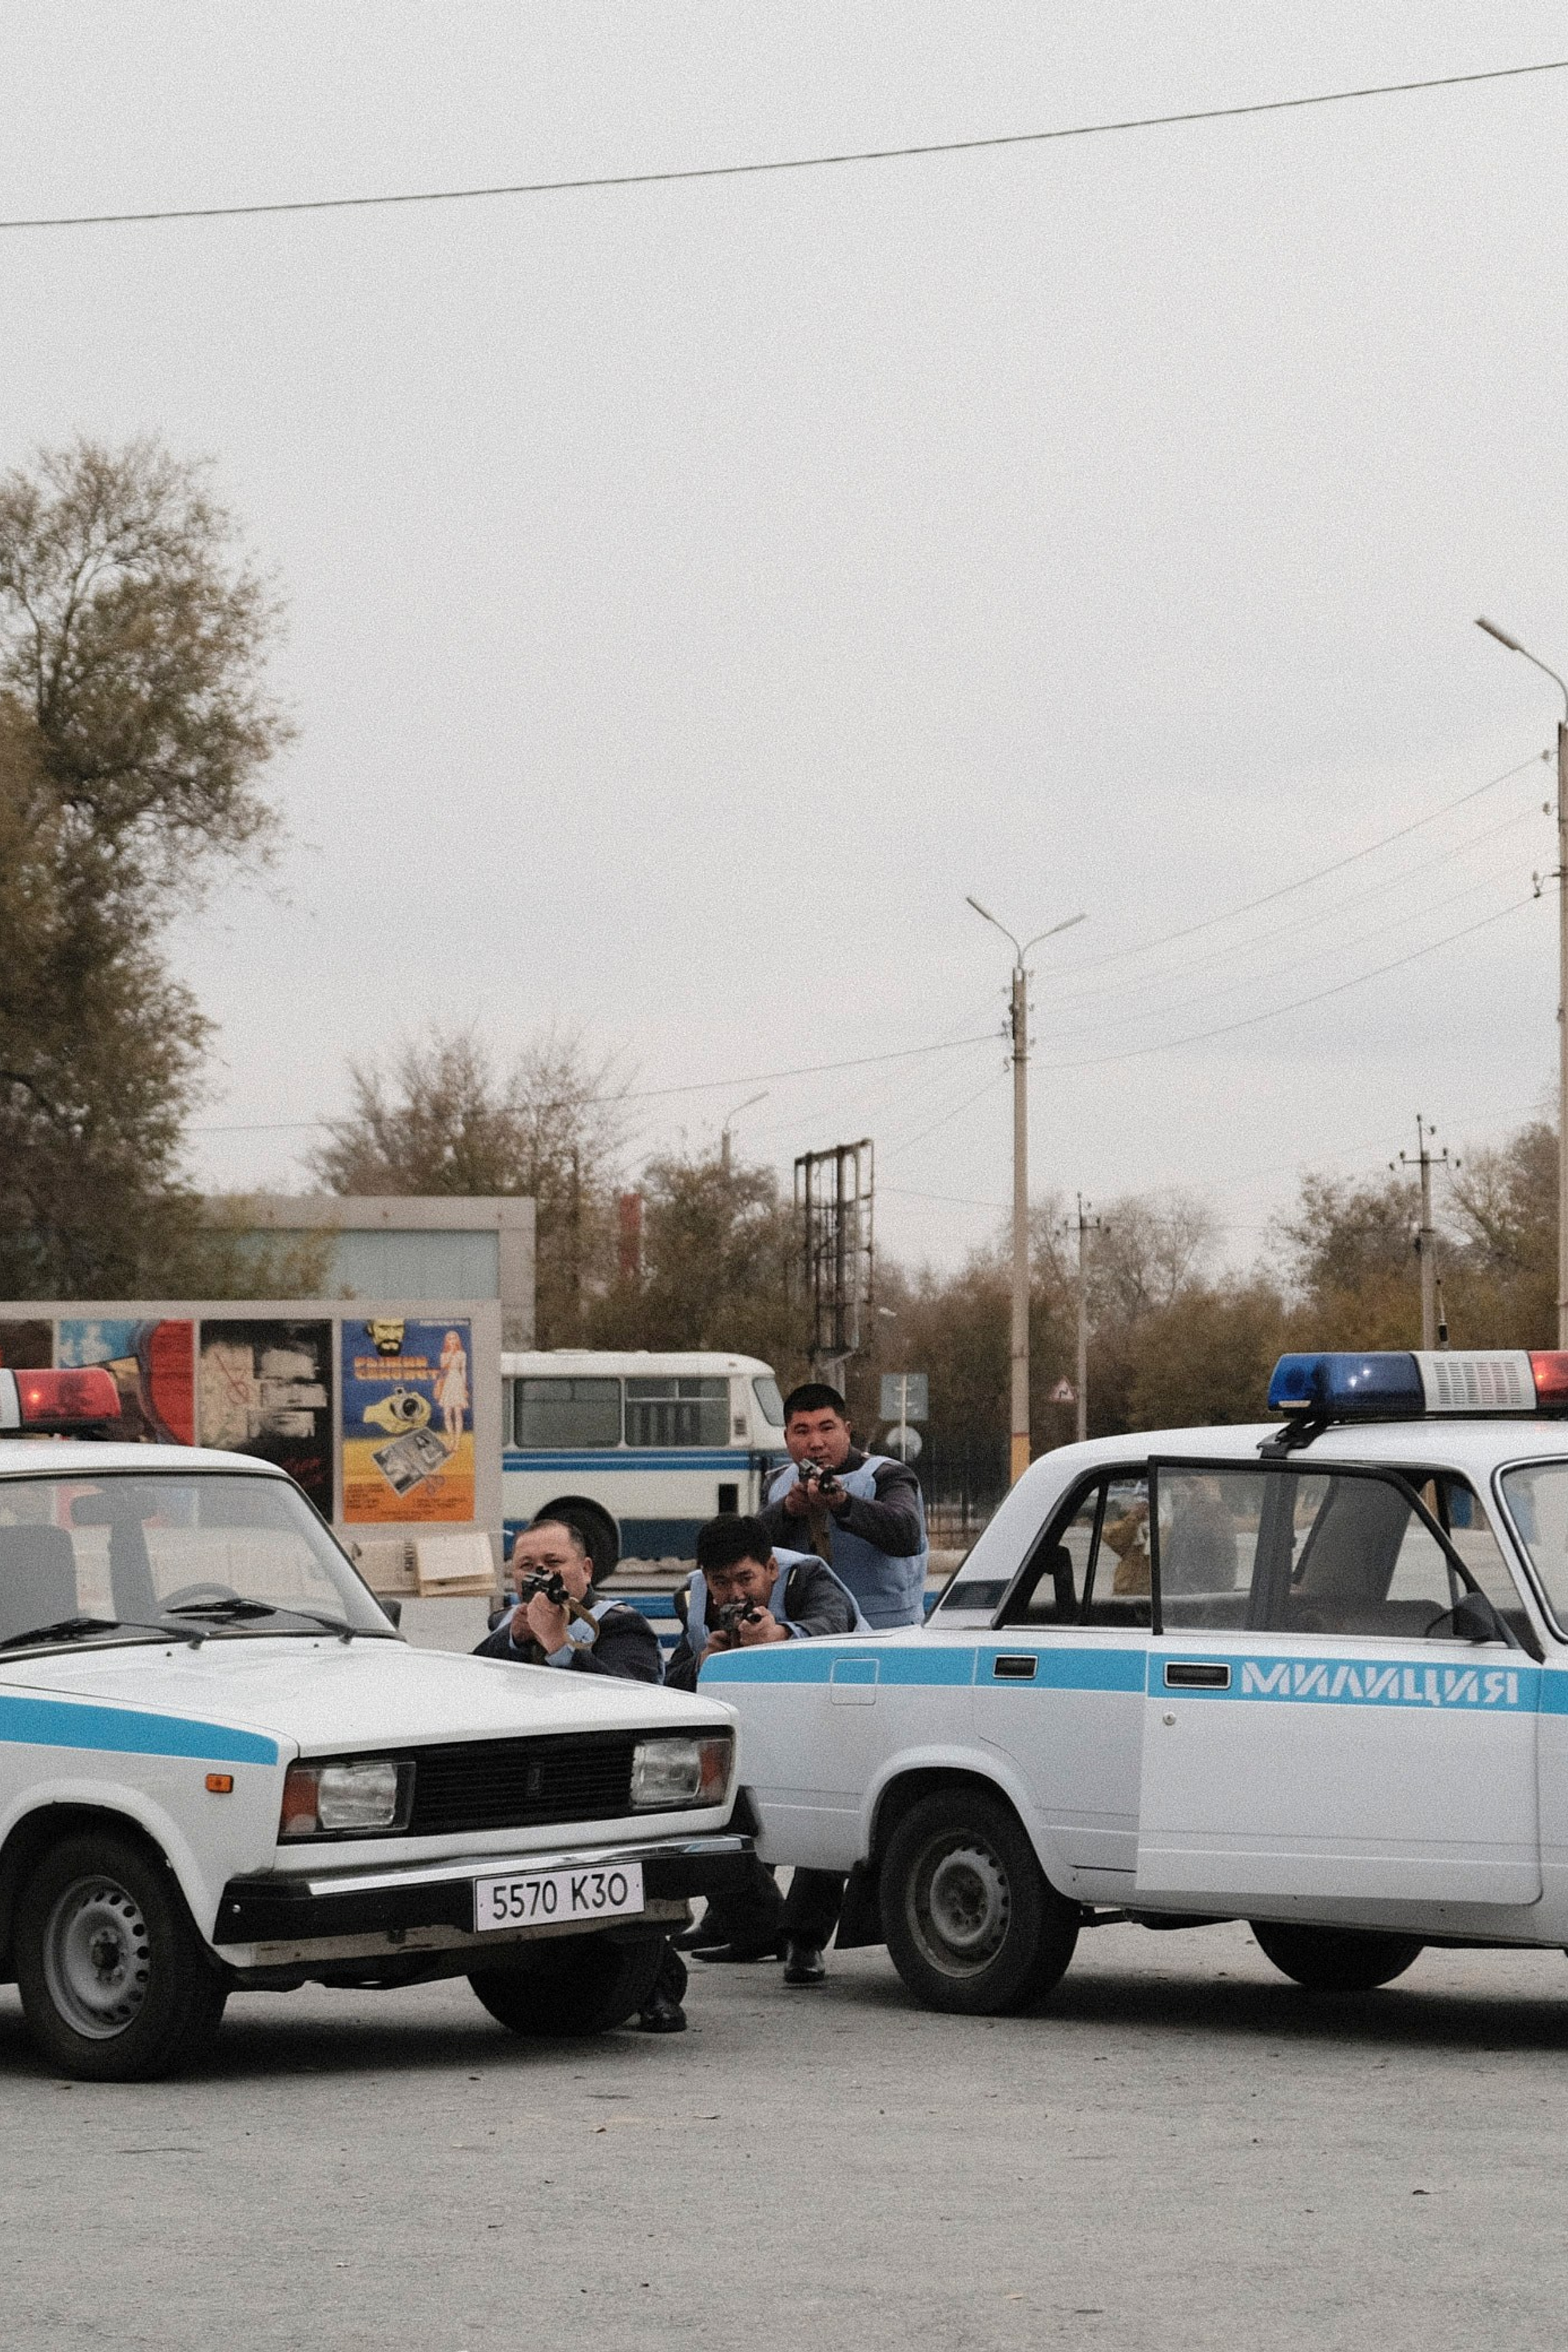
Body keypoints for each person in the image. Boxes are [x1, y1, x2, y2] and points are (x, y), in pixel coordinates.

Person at [472, 1518, 684, 2032]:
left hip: (606, 1785)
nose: (541, 1576)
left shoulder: (619, 1623)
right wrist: (517, 1639)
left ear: (585, 1570)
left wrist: (561, 1645)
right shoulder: (505, 1625)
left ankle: (656, 1984)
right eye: (528, 1567)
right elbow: (468, 1687)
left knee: (627, 1897)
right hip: (527, 1786)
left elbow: (633, 1698)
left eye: (554, 1566)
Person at [666, 1512, 865, 1986]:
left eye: (746, 1579)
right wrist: (704, 1661)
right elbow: (671, 1683)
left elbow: (833, 1626)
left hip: (840, 1716)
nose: (735, 1595)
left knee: (821, 1820)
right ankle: (749, 1925)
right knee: (722, 1811)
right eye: (721, 1583)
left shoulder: (808, 1577)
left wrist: (780, 1636)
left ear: (771, 1569)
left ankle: (804, 1940)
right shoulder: (695, 1600)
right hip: (759, 1723)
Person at [758, 1383, 928, 1630]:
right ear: (787, 1437)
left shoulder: (886, 1474)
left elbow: (906, 1535)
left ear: (847, 1431)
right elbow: (753, 1550)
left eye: (827, 1429)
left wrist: (843, 1503)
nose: (816, 1443)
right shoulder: (777, 1483)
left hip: (886, 1632)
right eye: (802, 1431)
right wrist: (787, 1510)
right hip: (806, 1630)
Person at [435, 1329, 469, 1456]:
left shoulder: (462, 1354)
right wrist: (450, 1356)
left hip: (458, 1382)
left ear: (457, 1340)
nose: (452, 1341)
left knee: (458, 1413)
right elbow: (443, 1370)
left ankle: (457, 1443)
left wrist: (464, 1387)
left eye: (454, 1338)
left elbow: (464, 1371)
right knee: (447, 1413)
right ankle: (451, 1440)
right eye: (449, 1339)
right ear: (447, 1341)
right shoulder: (444, 1355)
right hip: (448, 1383)